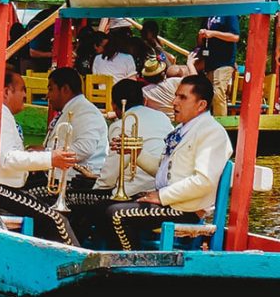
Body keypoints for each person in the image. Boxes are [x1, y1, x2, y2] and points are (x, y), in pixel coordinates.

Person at [100, 75, 233, 251]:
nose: (174, 102)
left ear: (201, 105)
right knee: (102, 206)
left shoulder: (212, 132)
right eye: (176, 96)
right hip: (170, 203)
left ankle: (131, 263)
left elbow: (203, 181)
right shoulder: (183, 129)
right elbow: (163, 171)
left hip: (186, 209)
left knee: (116, 214)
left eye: (182, 97)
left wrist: (161, 196)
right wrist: (135, 153)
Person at [0, 71, 80, 244]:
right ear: (6, 92)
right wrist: (50, 159)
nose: (25, 95)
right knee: (56, 219)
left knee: (49, 208)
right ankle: (80, 259)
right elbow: (8, 159)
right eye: (22, 89)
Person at [94, 79, 172, 197]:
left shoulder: (119, 126)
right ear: (144, 101)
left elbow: (112, 171)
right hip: (163, 187)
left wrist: (96, 190)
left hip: (132, 191)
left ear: (113, 105)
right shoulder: (163, 117)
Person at [199, 14, 240, 116]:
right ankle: (208, 120)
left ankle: (222, 123)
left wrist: (213, 33)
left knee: (218, 93)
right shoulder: (207, 15)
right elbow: (200, 43)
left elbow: (235, 37)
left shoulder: (229, 13)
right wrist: (201, 36)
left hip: (225, 61)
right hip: (209, 62)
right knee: (208, 95)